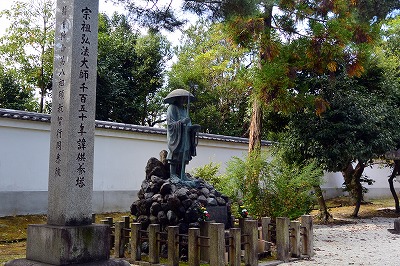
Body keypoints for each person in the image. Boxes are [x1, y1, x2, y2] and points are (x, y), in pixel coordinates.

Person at [164, 89, 200, 181]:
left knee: (185, 154)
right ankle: (172, 175)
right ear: (177, 98)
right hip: (177, 135)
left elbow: (189, 124)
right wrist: (181, 122)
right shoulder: (172, 107)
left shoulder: (184, 110)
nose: (184, 101)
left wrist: (192, 128)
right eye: (182, 98)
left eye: (185, 99)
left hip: (185, 135)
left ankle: (182, 174)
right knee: (176, 153)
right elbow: (170, 124)